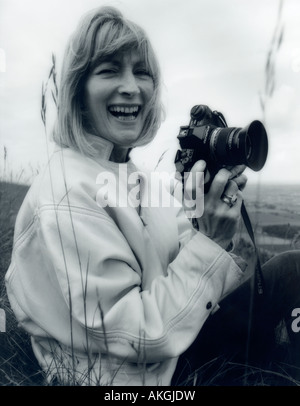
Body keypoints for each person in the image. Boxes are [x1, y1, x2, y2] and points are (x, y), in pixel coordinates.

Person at [5, 6, 300, 386]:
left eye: (141, 71)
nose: (131, 86)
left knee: (287, 277)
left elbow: (195, 283)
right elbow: (139, 333)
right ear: (78, 91)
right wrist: (209, 243)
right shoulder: (66, 192)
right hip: (135, 378)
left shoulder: (134, 177)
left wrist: (204, 220)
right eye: (109, 69)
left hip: (169, 349)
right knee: (291, 276)